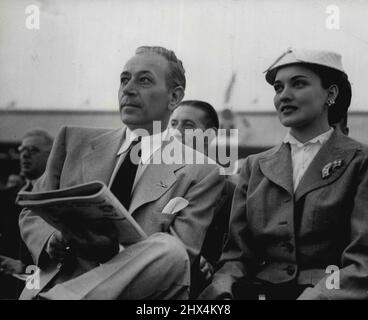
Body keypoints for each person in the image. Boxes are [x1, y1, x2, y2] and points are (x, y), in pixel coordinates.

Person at [19, 46, 225, 300]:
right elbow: (31, 209)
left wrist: (111, 249)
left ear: (174, 97)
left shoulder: (201, 171)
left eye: (144, 80)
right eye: (124, 79)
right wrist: (50, 238)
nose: (127, 89)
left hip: (135, 296)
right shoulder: (73, 141)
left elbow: (178, 259)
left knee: (171, 249)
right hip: (56, 278)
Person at [199, 48, 368, 300]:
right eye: (278, 88)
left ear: (330, 94)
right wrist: (222, 291)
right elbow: (236, 257)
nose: (284, 96)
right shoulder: (255, 166)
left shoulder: (360, 161)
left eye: (298, 84)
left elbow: (362, 262)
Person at [169, 100, 235, 297]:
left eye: (188, 125)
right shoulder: (152, 182)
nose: (177, 132)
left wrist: (210, 264)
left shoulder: (230, 191)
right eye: (173, 124)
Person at [0, 129, 53, 299]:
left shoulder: (57, 198)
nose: (25, 155)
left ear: (51, 156)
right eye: (22, 150)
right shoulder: (8, 196)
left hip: (37, 289)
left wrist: (24, 268)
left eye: (33, 150)